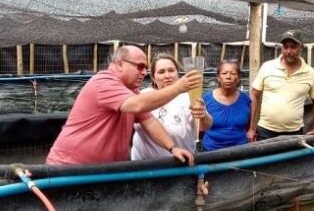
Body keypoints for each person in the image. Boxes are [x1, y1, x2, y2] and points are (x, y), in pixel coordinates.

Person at [46, 46, 201, 165]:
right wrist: (178, 87)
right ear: (120, 64)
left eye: (146, 68)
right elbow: (137, 105)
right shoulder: (104, 82)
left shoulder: (133, 90)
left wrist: (172, 148)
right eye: (139, 66)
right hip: (70, 167)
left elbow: (149, 121)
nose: (144, 72)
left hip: (106, 171)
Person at [248, 30, 314, 142]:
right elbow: (254, 96)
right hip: (265, 130)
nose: (289, 51)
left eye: (293, 47)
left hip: (294, 132)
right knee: (265, 159)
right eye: (285, 47)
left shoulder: (309, 73)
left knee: (291, 159)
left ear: (301, 47)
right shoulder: (268, 67)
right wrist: (251, 128)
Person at [131, 54, 212, 160]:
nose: (167, 75)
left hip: (180, 165)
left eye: (171, 70)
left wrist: (203, 115)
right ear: (153, 77)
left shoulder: (188, 97)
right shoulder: (143, 96)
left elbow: (204, 126)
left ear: (178, 73)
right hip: (144, 166)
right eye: (161, 72)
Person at [202, 60, 251, 151]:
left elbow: (249, 125)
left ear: (239, 78)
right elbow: (200, 127)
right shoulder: (207, 98)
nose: (228, 77)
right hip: (211, 151)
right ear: (218, 77)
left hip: (240, 151)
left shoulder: (246, 99)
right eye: (224, 73)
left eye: (233, 73)